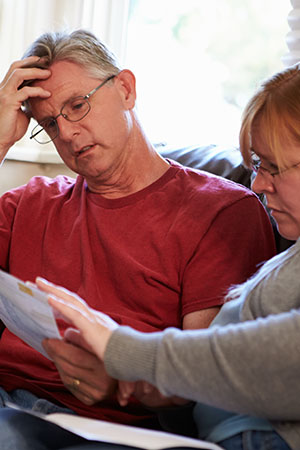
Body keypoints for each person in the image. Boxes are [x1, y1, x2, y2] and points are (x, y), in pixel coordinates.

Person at [0, 28, 274, 446]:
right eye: (50, 124)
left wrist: (118, 380)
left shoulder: (222, 211)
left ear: (125, 89)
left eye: (78, 105)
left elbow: (207, 378)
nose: (68, 134)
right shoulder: (30, 204)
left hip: (101, 426)